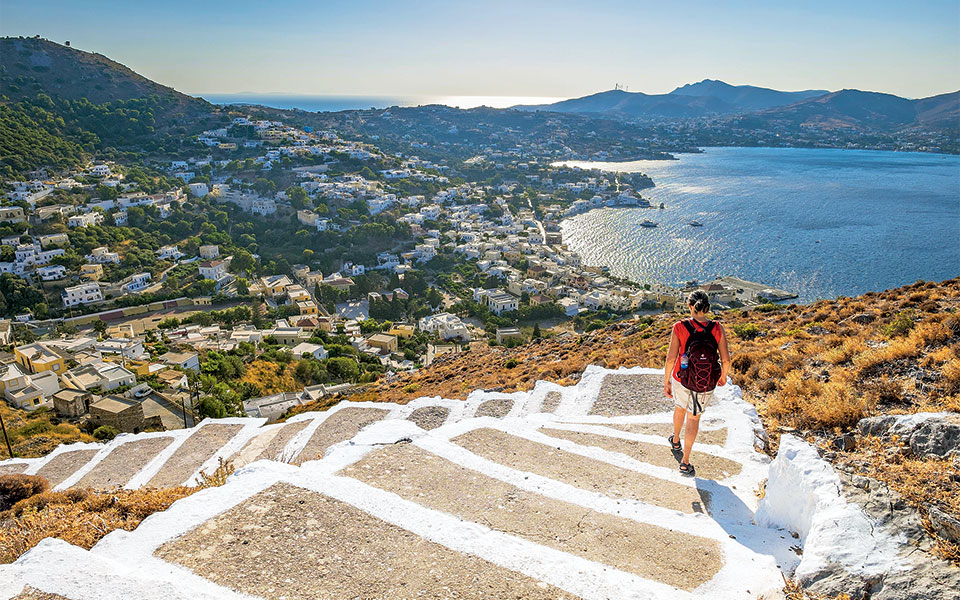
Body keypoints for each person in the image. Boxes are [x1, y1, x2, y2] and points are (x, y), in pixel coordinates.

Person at [663, 290, 731, 477]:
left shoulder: (679, 327)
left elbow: (671, 358)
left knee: (679, 408)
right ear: (707, 307)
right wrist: (723, 376)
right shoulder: (717, 328)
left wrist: (666, 380)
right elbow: (726, 360)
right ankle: (685, 462)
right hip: (704, 382)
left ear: (690, 306)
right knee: (693, 419)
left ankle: (675, 440)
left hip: (681, 378)